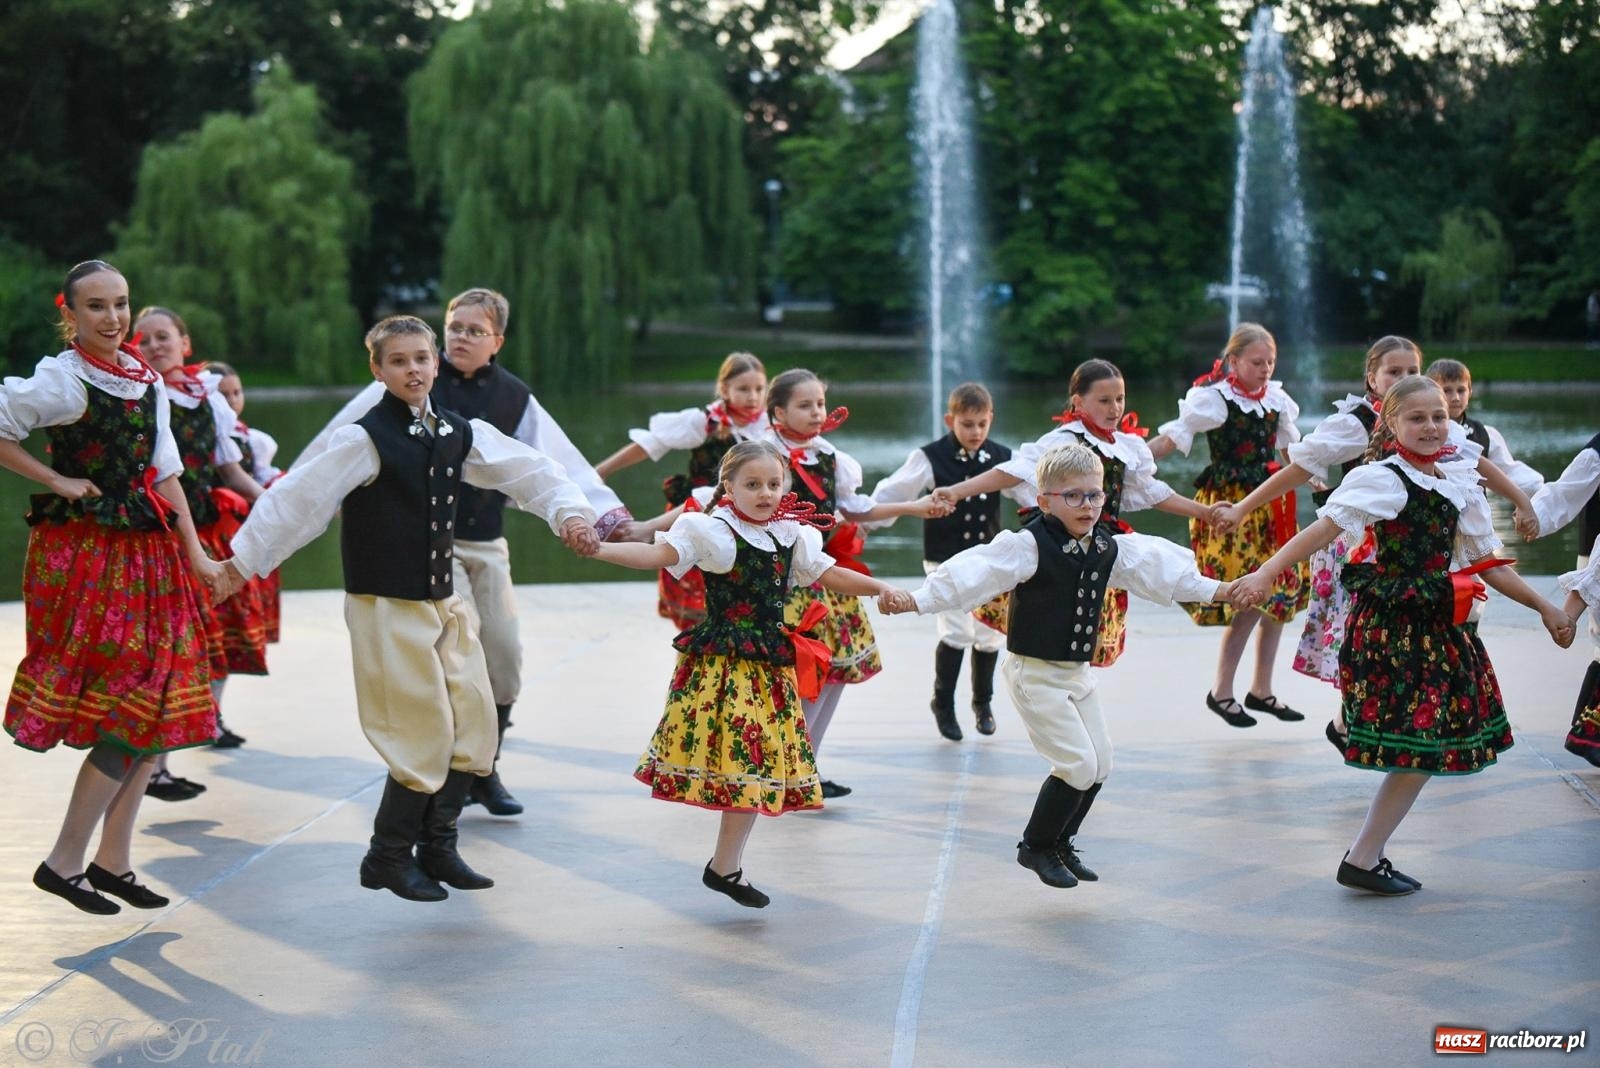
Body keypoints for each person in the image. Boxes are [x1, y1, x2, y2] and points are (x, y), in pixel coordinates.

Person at [217, 315, 601, 901]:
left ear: (435, 363)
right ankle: (388, 856)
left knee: (473, 720)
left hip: (441, 601)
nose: (414, 369)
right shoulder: (362, 440)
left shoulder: (455, 431)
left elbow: (532, 471)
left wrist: (569, 513)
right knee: (420, 731)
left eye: (422, 358)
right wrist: (238, 566)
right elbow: (296, 502)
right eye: (399, 361)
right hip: (384, 605)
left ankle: (439, 848)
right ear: (377, 370)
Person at [293, 287, 636, 817]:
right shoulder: (410, 381)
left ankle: (484, 767)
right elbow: (333, 447)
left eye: (475, 331)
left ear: (496, 341)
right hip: (430, 545)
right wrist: (306, 495)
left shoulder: (515, 397)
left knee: (505, 654)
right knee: (466, 648)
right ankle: (458, 778)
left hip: (488, 540)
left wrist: (606, 519)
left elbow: (556, 463)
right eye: (454, 327)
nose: (461, 338)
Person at [1234, 375, 1573, 895]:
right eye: (1417, 418)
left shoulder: (1457, 478)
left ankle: (1366, 855)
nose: (1432, 426)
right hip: (1395, 628)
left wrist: (1548, 608)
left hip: (1441, 627)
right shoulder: (1383, 479)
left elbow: (1486, 562)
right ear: (1390, 424)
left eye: (1439, 416)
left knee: (1426, 744)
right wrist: (1263, 573)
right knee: (1422, 743)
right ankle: (1363, 855)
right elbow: (1321, 529)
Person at [881, 444, 1237, 888]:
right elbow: (975, 571)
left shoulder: (1111, 546)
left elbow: (1164, 575)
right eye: (1073, 496)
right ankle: (1035, 846)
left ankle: (1061, 842)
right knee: (1077, 764)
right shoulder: (1027, 546)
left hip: (1076, 673)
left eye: (1094, 495)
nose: (1086, 505)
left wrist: (1225, 591)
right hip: (1035, 673)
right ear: (1045, 500)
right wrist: (916, 599)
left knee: (1101, 764)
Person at [0, 261, 223, 913]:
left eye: (121, 304)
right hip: (87, 558)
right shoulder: (62, 379)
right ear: (68, 313)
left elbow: (166, 474)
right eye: (96, 306)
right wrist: (57, 479)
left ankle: (110, 861)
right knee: (131, 698)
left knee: (155, 700)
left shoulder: (145, 377)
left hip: (148, 554)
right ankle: (65, 861)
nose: (114, 318)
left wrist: (199, 555)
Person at [590, 440, 898, 907]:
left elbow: (828, 574)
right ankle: (726, 866)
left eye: (774, 484)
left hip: (771, 668)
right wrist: (599, 551)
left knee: (761, 767)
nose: (765, 493)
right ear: (727, 487)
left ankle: (724, 866)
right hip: (723, 666)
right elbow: (654, 556)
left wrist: (880, 588)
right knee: (744, 761)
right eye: (752, 484)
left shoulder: (792, 535)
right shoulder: (712, 532)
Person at [1215, 339, 1540, 746]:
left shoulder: (1434, 423)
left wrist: (1521, 499)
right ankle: (1354, 720)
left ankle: (1370, 723)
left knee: (1417, 643)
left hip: (1425, 549)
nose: (1403, 379)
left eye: (1412, 371)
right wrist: (1244, 509)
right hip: (1361, 548)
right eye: (1393, 372)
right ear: (1372, 376)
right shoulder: (1358, 423)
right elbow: (1300, 470)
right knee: (1363, 639)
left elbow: (1478, 464)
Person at [932, 359, 1214, 670]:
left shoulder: (1124, 446)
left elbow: (1149, 492)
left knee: (1086, 632)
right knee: (1056, 623)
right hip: (1059, 548)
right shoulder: (1065, 439)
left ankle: (1069, 686)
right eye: (1104, 401)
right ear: (1079, 402)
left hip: (1099, 547)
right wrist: (958, 491)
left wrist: (1205, 512)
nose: (1115, 408)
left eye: (1119, 399)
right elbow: (1014, 473)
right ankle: (1033, 679)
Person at [760, 368, 949, 797]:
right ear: (779, 411)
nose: (816, 413)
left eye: (820, 404)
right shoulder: (763, 455)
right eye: (804, 405)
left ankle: (806, 764)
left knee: (832, 675)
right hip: (780, 582)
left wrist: (915, 508)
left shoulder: (828, 458)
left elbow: (858, 509)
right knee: (797, 674)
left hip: (826, 576)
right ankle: (787, 766)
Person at [1147, 324, 1309, 728]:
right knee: (1250, 596)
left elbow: (1291, 451)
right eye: (1257, 362)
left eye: (1270, 361)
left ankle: (1261, 689)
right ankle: (1221, 691)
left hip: (1272, 503)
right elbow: (1172, 437)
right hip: (1230, 507)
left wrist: (1313, 475)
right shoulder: (1213, 399)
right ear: (1233, 361)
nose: (1266, 368)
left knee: (1279, 595)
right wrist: (1131, 460)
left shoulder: (1277, 399)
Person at [133, 308, 266, 785]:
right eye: (143, 339)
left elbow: (230, 470)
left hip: (208, 531)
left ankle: (203, 725)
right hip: (159, 538)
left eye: (163, 337)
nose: (153, 346)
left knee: (215, 640)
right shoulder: (136, 392)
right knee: (172, 648)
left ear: (185, 343)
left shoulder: (206, 396)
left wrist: (275, 501)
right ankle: (156, 768)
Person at [870, 382, 1016, 740]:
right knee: (957, 631)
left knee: (988, 634)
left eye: (982, 423)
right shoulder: (929, 457)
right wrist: (866, 522)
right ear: (950, 420)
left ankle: (983, 704)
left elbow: (1031, 491)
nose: (976, 432)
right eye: (967, 424)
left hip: (987, 562)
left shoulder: (1001, 457)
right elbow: (894, 491)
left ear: (991, 419)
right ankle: (944, 703)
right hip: (944, 560)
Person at [595, 351, 769, 630]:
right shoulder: (705, 422)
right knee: (697, 617)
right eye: (744, 389)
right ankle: (689, 669)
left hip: (747, 524)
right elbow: (650, 445)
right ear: (724, 389)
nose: (753, 397)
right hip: (695, 519)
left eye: (759, 389)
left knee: (741, 609)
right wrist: (600, 471)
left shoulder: (771, 427)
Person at [209, 360, 283, 653]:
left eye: (236, 393)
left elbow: (264, 475)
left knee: (235, 614)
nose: (232, 401)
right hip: (215, 529)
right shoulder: (207, 436)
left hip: (243, 530)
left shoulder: (251, 439)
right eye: (223, 395)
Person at [1425, 358, 1544, 497]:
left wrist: (1541, 490)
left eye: (1461, 390)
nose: (1455, 397)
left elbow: (1509, 471)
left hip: (1474, 515)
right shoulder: (1423, 432)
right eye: (1447, 391)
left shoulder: (1484, 434)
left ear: (1470, 392)